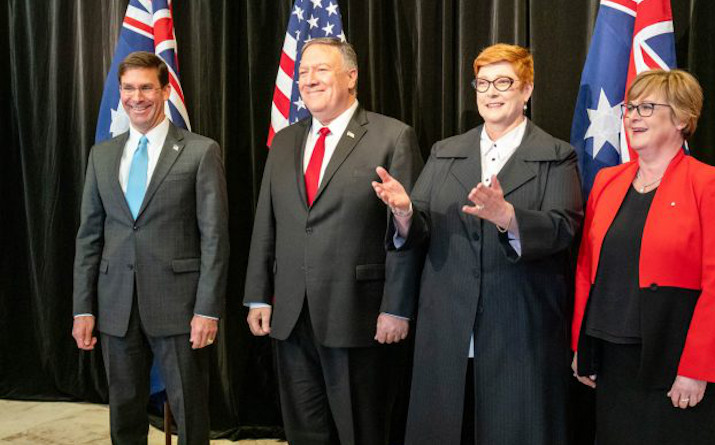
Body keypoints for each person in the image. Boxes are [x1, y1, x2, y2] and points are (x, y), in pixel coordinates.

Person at [373, 43, 583, 444]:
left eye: (504, 82)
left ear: (527, 90)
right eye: (482, 83)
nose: (491, 92)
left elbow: (562, 228)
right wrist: (403, 212)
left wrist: (508, 217)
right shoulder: (446, 152)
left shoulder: (556, 155)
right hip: (447, 326)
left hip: (518, 328)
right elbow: (419, 231)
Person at [243, 37, 423, 445]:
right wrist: (258, 295)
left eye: (321, 70)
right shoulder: (285, 140)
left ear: (351, 76)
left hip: (358, 317)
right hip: (290, 317)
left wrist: (397, 307)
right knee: (304, 432)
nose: (308, 80)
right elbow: (266, 223)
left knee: (361, 432)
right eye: (303, 72)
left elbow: (410, 233)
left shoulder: (392, 137)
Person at [571, 69, 715, 444]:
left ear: (682, 118)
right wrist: (581, 347)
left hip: (677, 362)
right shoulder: (607, 182)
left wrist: (696, 367)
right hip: (615, 362)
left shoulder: (710, 183)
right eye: (630, 108)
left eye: (646, 107)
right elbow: (587, 269)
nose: (633, 116)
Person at [72, 51, 229, 445]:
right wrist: (83, 307)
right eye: (128, 88)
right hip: (115, 307)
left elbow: (214, 237)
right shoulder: (102, 155)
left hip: (180, 306)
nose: (136, 97)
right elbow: (89, 236)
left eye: (146, 87)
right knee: (124, 411)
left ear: (164, 90)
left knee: (190, 411)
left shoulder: (200, 151)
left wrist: (207, 309)